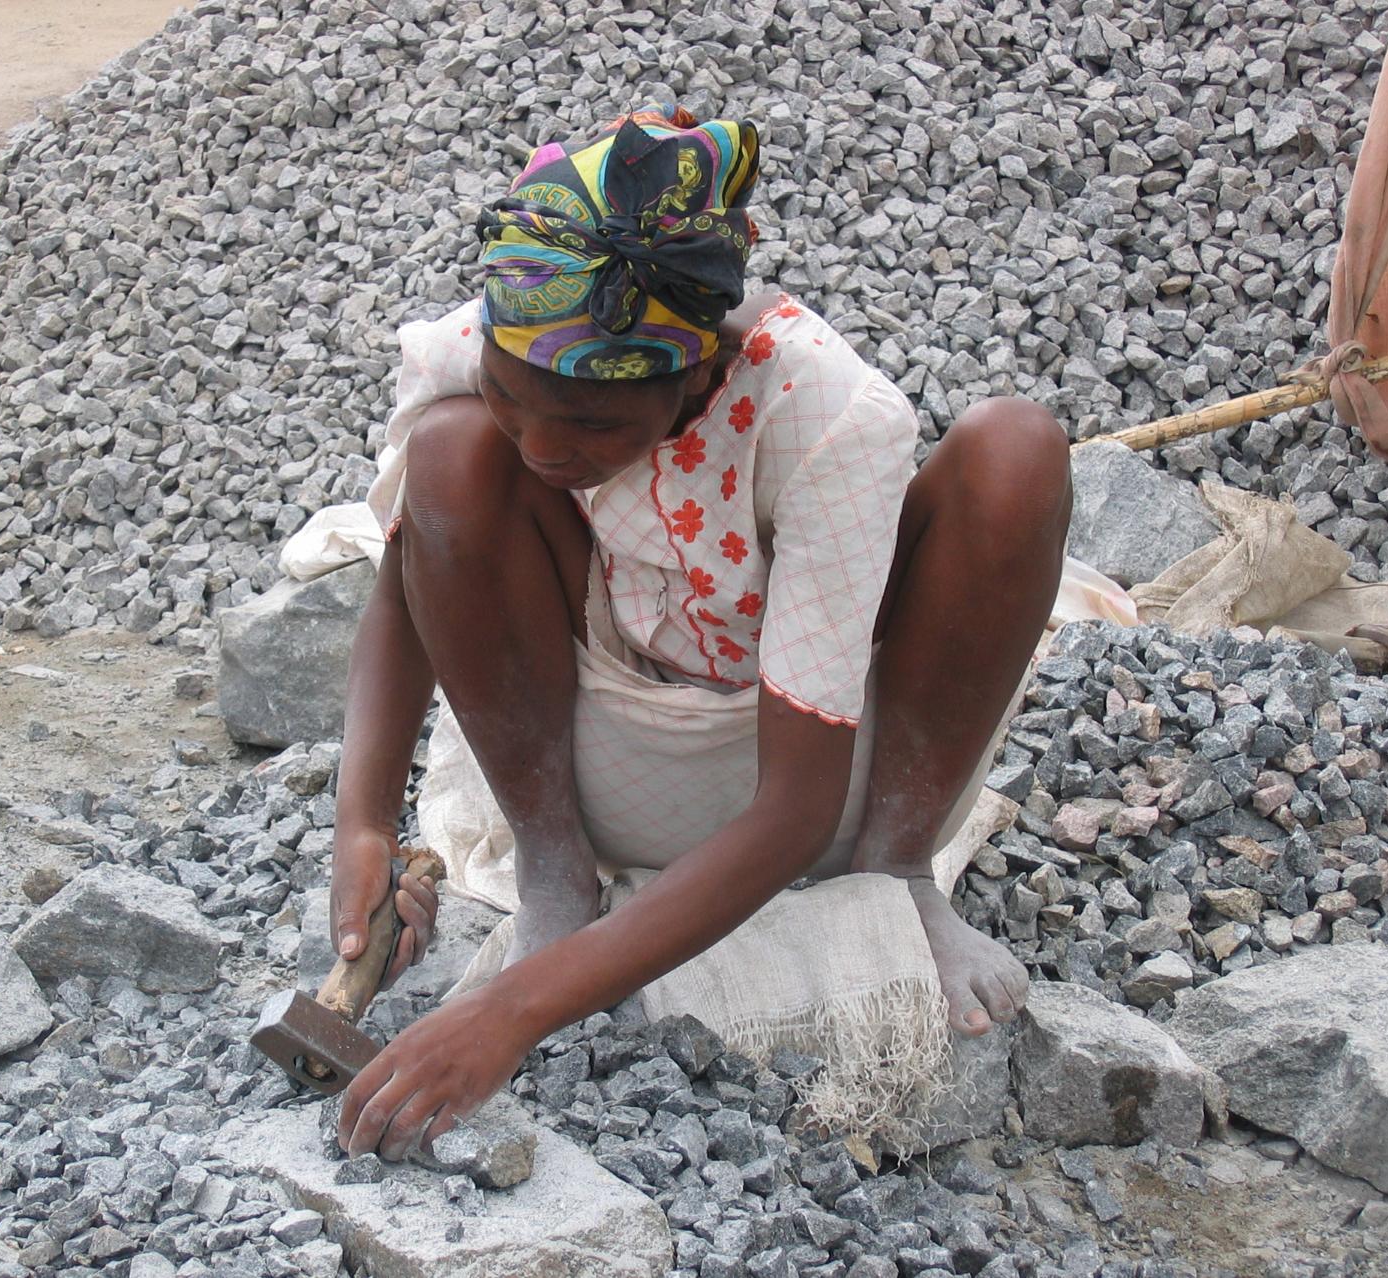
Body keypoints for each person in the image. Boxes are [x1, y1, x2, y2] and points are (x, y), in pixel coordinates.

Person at [326, 106, 1071, 1159]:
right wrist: (361, 821)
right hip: (596, 744)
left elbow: (795, 808)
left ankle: (895, 879)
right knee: (445, 455)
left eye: (591, 425)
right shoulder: (495, 330)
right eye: (512, 398)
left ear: (702, 379)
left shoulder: (827, 416)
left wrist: (517, 1010)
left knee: (1017, 452)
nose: (543, 447)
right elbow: (408, 578)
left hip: (821, 784)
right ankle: (556, 879)